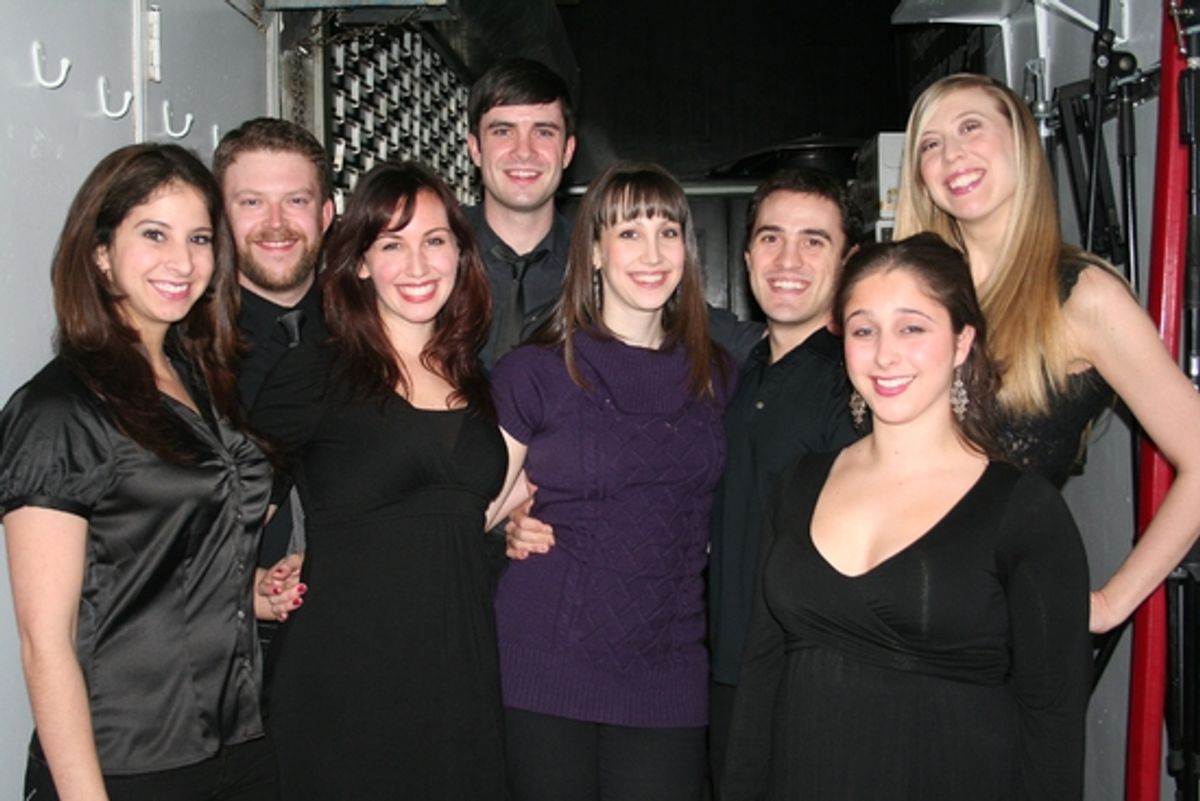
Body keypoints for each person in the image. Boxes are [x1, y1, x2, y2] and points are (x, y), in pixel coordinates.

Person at [722, 233, 1091, 801]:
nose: (884, 354)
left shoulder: (1023, 510)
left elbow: (1053, 722)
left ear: (963, 341)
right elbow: (761, 674)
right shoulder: (800, 484)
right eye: (864, 329)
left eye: (913, 327)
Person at [0, 143, 298, 801]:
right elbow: (43, 641)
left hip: (240, 741)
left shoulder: (201, 380)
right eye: (154, 234)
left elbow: (155, 553)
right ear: (102, 251)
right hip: (127, 762)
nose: (184, 261)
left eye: (198, 237)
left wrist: (244, 588)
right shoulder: (59, 409)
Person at [893, 72, 1200, 633]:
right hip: (897, 607)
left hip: (1000, 631)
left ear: (1021, 143)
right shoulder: (912, 295)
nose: (951, 153)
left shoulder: (1084, 297)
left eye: (970, 127)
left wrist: (1108, 606)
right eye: (930, 144)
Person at [249, 160, 506, 800]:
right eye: (392, 243)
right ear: (360, 262)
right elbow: (213, 508)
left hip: (459, 680)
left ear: (459, 252)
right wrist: (244, 585)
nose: (417, 265)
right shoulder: (317, 373)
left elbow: (459, 521)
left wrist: (516, 525)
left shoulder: (477, 383)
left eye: (434, 240)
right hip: (343, 681)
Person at [486, 161, 733, 801]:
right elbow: (467, 513)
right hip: (544, 664)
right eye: (628, 233)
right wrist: (507, 525)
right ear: (593, 250)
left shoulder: (718, 377)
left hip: (670, 669)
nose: (651, 254)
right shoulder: (534, 373)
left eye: (667, 233)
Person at [706, 167, 861, 791]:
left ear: (847, 261)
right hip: (725, 673)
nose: (788, 258)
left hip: (812, 686)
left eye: (813, 240)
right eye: (771, 238)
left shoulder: (855, 384)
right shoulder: (737, 375)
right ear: (746, 258)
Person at [465, 57, 763, 368]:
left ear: (567, 151)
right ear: (474, 148)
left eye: (543, 132)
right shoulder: (435, 252)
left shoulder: (604, 261)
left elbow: (722, 334)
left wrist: (808, 332)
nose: (523, 151)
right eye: (503, 131)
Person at [213, 117, 335, 582]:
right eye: (251, 203)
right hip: (225, 635)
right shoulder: (181, 352)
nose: (277, 224)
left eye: (296, 201)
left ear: (325, 214)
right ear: (221, 216)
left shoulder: (373, 336)